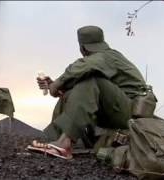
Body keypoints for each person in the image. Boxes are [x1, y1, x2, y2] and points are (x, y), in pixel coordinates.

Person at [27, 26, 147, 159]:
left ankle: (64, 144)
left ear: (82, 48)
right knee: (74, 89)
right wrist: (54, 86)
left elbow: (81, 68)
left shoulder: (106, 57)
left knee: (90, 80)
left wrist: (56, 84)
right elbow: (77, 90)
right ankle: (52, 141)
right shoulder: (105, 60)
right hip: (121, 110)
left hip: (132, 114)